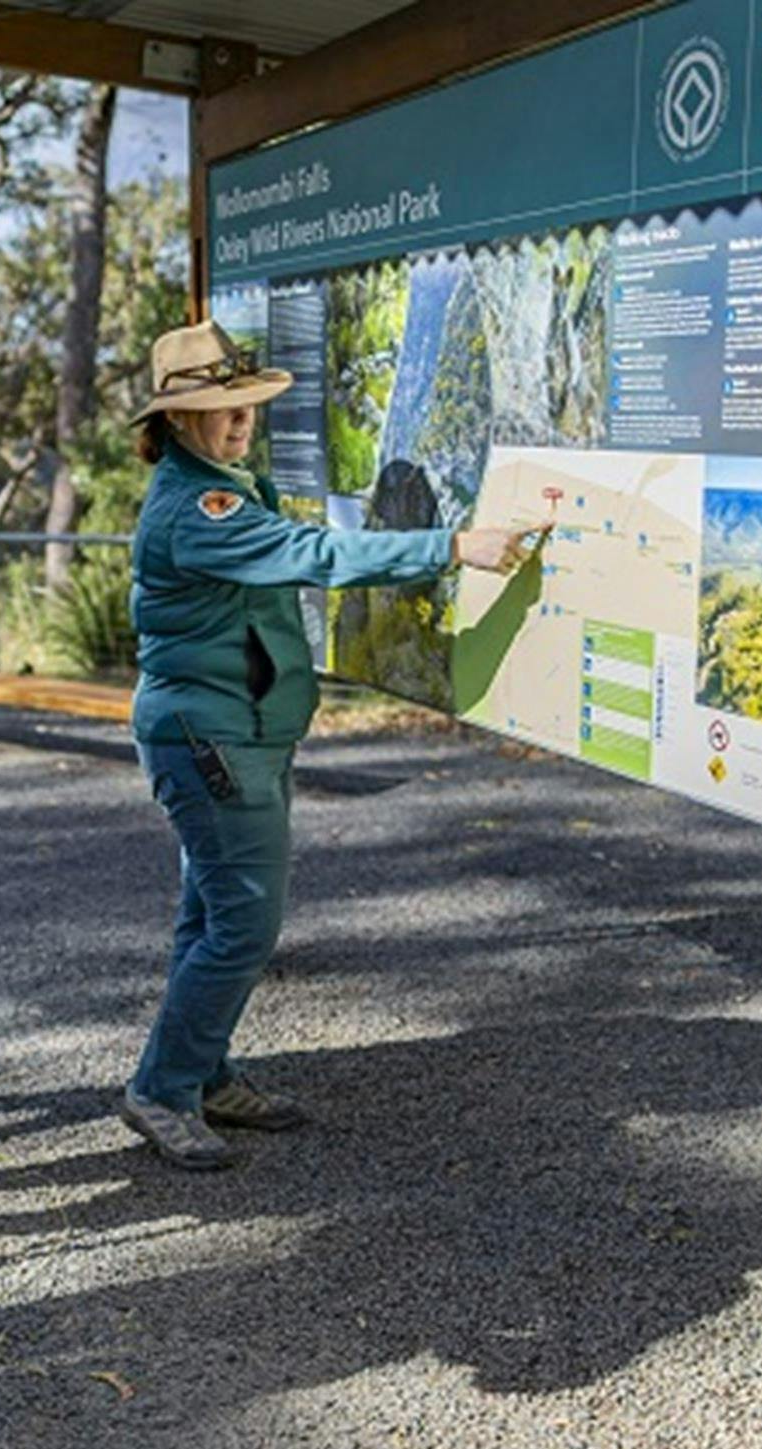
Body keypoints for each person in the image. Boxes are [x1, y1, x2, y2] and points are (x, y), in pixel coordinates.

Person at [121, 320, 544, 1171]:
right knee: (243, 922)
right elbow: (314, 554)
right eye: (219, 408)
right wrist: (455, 547)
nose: (241, 421)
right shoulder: (197, 509)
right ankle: (160, 1091)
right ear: (173, 419)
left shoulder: (229, 487)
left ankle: (202, 1074)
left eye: (246, 405)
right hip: (211, 740)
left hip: (242, 730)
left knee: (208, 914)